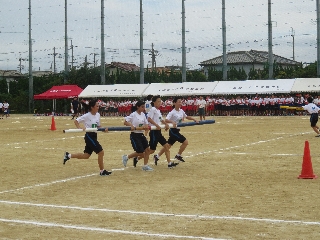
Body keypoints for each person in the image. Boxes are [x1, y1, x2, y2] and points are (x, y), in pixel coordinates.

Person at [63, 99, 112, 176]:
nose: (98, 107)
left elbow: (98, 126)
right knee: (101, 152)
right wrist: (79, 128)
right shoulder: (86, 116)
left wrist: (104, 129)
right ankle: (102, 171)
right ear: (92, 107)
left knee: (86, 155)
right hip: (89, 136)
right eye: (97, 106)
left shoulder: (98, 115)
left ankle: (68, 155)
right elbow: (76, 121)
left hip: (94, 136)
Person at [134, 95, 179, 169]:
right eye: (158, 101)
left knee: (166, 146)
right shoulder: (153, 109)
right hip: (154, 132)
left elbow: (161, 119)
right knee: (151, 150)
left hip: (158, 132)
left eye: (160, 101)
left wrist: (166, 124)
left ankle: (169, 163)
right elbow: (149, 119)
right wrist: (156, 125)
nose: (160, 103)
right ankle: (137, 158)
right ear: (154, 102)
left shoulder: (158, 110)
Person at [155, 96, 198, 163]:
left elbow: (186, 116)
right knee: (185, 142)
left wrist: (194, 119)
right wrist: (172, 122)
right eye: (179, 102)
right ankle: (178, 155)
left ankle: (157, 156)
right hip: (173, 131)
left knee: (168, 145)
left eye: (181, 102)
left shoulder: (181, 111)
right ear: (174, 103)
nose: (180, 103)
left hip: (177, 130)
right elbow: (166, 120)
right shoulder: (172, 112)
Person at [122, 100, 153, 171]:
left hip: (141, 134)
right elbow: (125, 122)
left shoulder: (143, 115)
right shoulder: (133, 114)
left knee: (147, 150)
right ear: (137, 107)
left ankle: (145, 166)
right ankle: (126, 157)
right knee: (140, 152)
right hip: (135, 135)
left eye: (144, 107)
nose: (143, 108)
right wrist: (131, 125)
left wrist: (146, 127)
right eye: (142, 107)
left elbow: (146, 123)